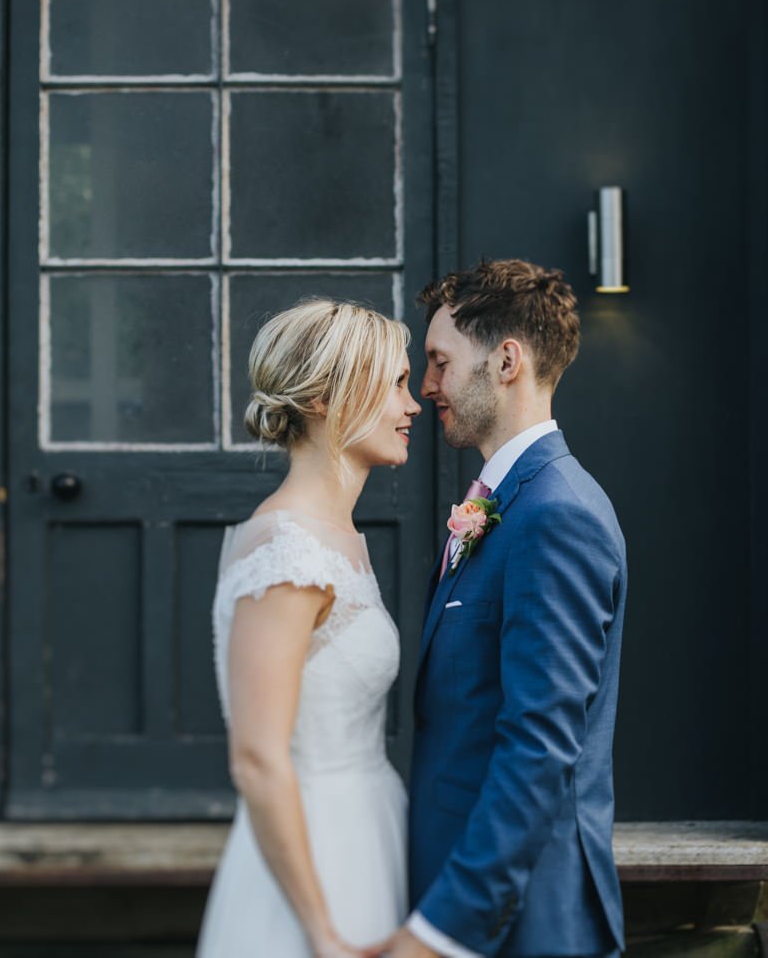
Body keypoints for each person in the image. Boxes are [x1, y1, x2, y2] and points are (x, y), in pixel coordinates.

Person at [369, 259, 628, 958]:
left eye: (438, 361)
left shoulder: (556, 515)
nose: (425, 387)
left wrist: (441, 929)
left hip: (521, 923)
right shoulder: (505, 502)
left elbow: (539, 748)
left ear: (506, 360)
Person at [197, 299, 421, 958]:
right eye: (397, 385)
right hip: (317, 858)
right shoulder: (289, 551)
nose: (412, 406)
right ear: (326, 397)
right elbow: (258, 757)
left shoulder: (338, 539)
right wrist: (322, 931)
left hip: (368, 829)